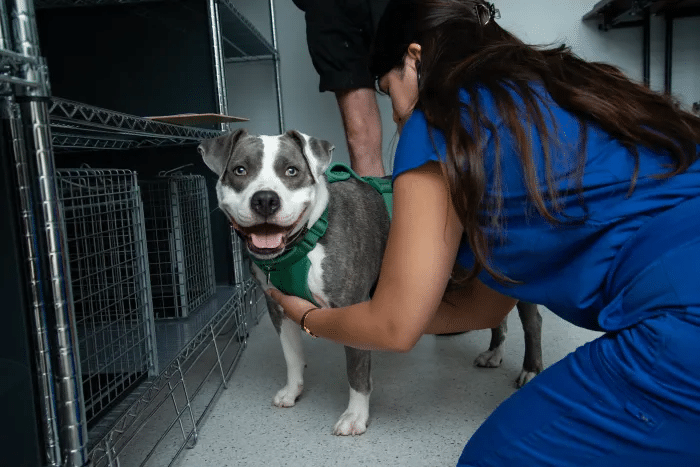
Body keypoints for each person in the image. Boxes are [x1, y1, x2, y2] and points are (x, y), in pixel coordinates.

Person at [270, 0, 700, 465]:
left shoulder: (436, 118)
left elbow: (394, 327)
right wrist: (389, 309)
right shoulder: (564, 81)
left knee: (493, 457)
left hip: (684, 314)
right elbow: (483, 306)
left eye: (386, 89)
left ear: (415, 60)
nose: (395, 114)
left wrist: (310, 318)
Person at [292, 0, 389, 177]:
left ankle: (427, 201)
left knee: (418, 119)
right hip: (333, 8)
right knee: (360, 139)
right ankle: (374, 203)